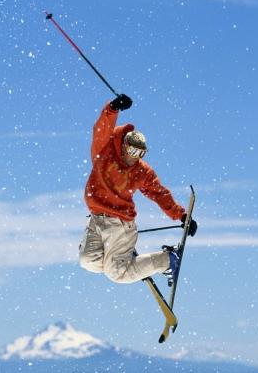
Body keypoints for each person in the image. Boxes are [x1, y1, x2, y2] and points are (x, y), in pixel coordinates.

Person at [78, 93, 198, 284]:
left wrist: (181, 215)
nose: (135, 157)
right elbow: (101, 129)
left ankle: (167, 260)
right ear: (124, 145)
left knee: (117, 274)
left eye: (141, 153)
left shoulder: (140, 170)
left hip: (120, 223)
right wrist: (113, 108)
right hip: (97, 219)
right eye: (133, 151)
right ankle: (126, 260)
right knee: (87, 261)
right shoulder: (104, 151)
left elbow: (159, 193)